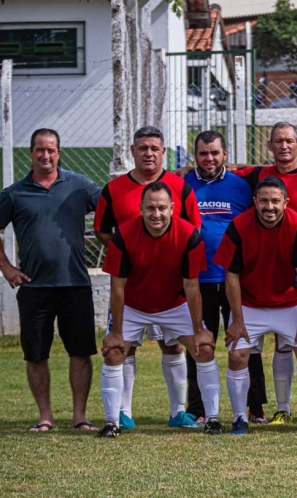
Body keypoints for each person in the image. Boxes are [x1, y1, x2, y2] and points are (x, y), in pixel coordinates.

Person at [94, 126, 202, 431]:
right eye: (142, 148)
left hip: (171, 289)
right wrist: (128, 254)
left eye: (155, 148)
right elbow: (103, 229)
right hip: (131, 288)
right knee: (124, 347)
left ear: (164, 151)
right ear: (132, 151)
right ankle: (122, 413)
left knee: (174, 346)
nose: (149, 153)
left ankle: (177, 412)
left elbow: (192, 231)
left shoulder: (179, 187)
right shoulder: (114, 189)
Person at [98, 182, 221, 438]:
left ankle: (212, 419)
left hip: (174, 305)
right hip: (134, 304)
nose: (157, 213)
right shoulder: (123, 235)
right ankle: (112, 422)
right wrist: (116, 332)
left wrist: (199, 330)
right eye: (151, 208)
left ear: (173, 209)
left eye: (162, 208)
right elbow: (117, 287)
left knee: (204, 349)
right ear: (141, 209)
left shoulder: (189, 235)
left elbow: (191, 285)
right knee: (113, 352)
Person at [0, 128, 101, 432]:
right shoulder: (14, 193)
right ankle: (45, 417)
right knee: (36, 354)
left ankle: (79, 416)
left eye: (51, 150)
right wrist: (6, 266)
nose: (46, 155)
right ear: (30, 153)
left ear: (59, 152)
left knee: (81, 352)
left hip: (75, 285)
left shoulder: (79, 186)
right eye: (40, 150)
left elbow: (113, 206)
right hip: (33, 287)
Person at [233, 122, 297, 426]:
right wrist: (185, 170)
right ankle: (282, 407)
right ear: (270, 145)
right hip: (272, 270)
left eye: (289, 141)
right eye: (278, 141)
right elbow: (228, 168)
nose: (284, 146)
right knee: (281, 341)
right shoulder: (260, 176)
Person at [214, 176, 297, 434]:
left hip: (289, 303)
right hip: (250, 304)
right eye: (263, 201)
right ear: (254, 202)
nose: (269, 207)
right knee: (237, 354)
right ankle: (240, 417)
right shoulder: (238, 227)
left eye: (275, 201)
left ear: (286, 202)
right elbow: (231, 276)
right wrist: (237, 321)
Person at [184, 131, 269, 424]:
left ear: (225, 154)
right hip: (198, 279)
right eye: (203, 153)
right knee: (200, 345)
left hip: (237, 279)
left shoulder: (241, 186)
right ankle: (198, 409)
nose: (209, 159)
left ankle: (254, 407)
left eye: (215, 153)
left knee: (246, 341)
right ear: (195, 155)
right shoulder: (183, 185)